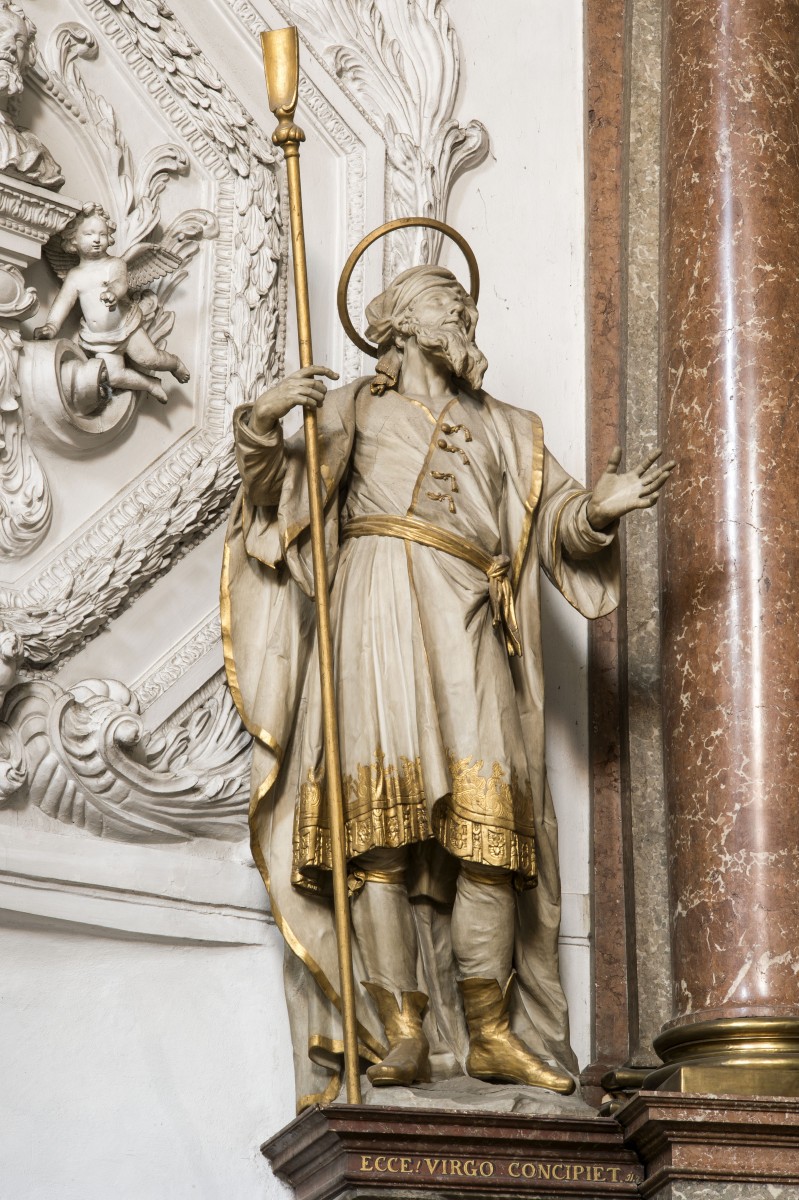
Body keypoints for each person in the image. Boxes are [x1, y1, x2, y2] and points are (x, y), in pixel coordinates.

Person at [222, 263, 672, 1108]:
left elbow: (559, 526)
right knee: (378, 839)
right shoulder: (352, 406)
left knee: (490, 829)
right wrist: (262, 422)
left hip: (469, 616)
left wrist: (601, 511)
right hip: (375, 608)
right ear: (394, 324)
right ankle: (400, 1031)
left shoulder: (511, 428)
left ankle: (491, 1031)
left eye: (461, 302)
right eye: (442, 303)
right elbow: (277, 499)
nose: (461, 312)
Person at [34, 204, 189, 403]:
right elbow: (63, 302)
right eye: (89, 234)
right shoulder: (75, 276)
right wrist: (51, 326)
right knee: (114, 376)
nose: (97, 239)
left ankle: (174, 364)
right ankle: (151, 384)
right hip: (99, 337)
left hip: (126, 326)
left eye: (102, 234)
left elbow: (120, 281)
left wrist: (113, 293)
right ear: (73, 240)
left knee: (151, 359)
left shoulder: (114, 264)